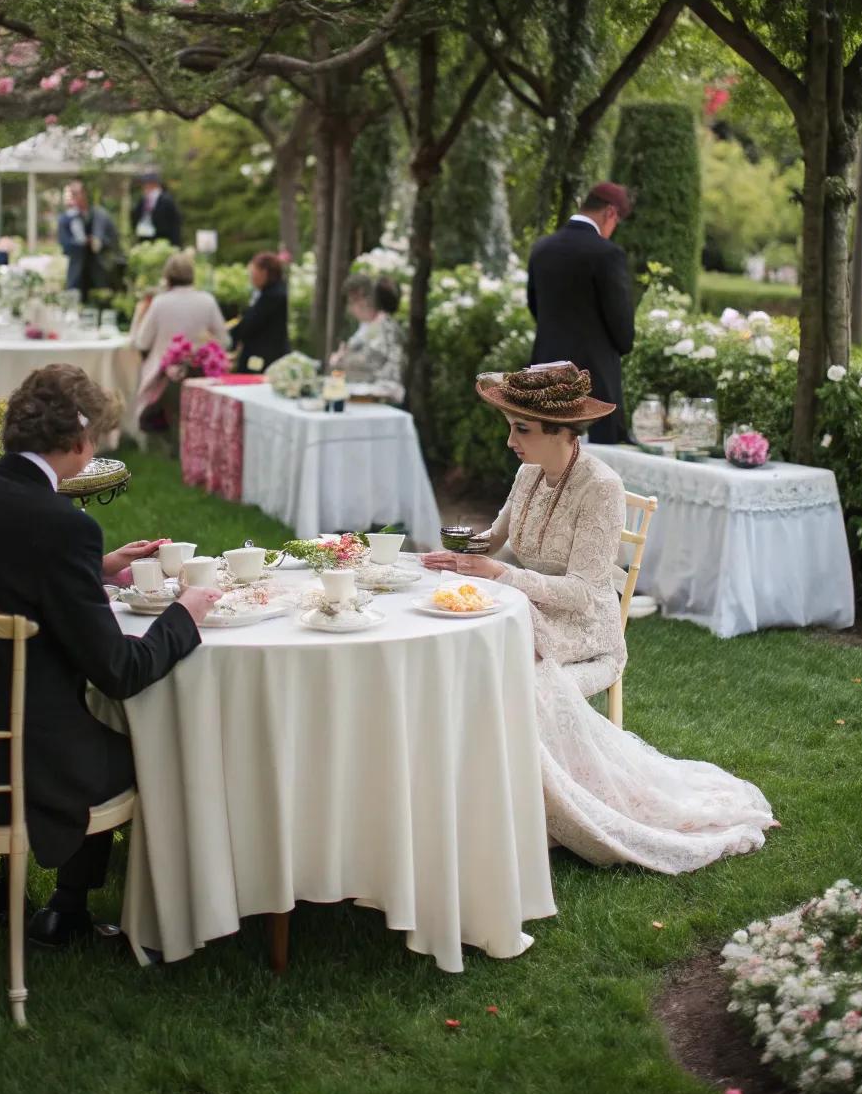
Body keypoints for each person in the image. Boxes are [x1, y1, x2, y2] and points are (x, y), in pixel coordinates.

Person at [0, 365, 221, 948]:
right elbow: (120, 672)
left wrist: (94, 571)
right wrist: (187, 615)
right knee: (144, 749)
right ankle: (66, 912)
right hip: (17, 766)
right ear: (78, 443)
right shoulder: (63, 527)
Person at [422, 362, 774, 873]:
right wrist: (457, 551)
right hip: (535, 609)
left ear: (563, 433)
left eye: (522, 429)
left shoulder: (601, 487)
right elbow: (494, 540)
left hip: (587, 630)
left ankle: (544, 808)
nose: (510, 442)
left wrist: (499, 575)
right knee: (473, 650)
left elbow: (586, 594)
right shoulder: (528, 474)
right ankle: (481, 796)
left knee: (508, 669)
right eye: (510, 426)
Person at [526, 182, 635, 445]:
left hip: (544, 380)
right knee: (593, 473)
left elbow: (535, 306)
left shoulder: (542, 249)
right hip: (593, 388)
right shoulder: (607, 254)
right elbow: (622, 330)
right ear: (610, 213)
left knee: (544, 466)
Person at [131, 252, 230, 429]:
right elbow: (224, 341)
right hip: (200, 371)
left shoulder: (160, 302)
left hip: (162, 376)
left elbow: (141, 343)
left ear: (167, 276)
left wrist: (140, 313)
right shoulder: (207, 300)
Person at [329, 274, 406, 403]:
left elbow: (371, 361)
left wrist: (341, 359)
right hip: (365, 394)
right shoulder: (368, 325)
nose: (350, 309)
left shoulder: (383, 325)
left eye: (351, 302)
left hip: (382, 397)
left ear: (363, 300)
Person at [57, 180, 120, 300]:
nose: (73, 197)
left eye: (76, 193)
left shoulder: (98, 214)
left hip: (100, 273)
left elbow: (108, 241)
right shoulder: (67, 219)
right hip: (77, 275)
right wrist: (81, 243)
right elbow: (64, 245)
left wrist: (95, 242)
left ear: (84, 194)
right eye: (71, 194)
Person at [230, 251, 289, 373]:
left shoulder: (273, 296)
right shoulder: (269, 293)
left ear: (264, 272)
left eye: (253, 273)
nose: (251, 278)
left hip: (263, 358)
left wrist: (230, 335)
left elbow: (251, 323)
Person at [131, 171, 182, 247]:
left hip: (163, 242)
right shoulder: (143, 200)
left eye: (146, 184)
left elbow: (175, 224)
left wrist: (175, 245)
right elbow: (136, 217)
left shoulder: (167, 200)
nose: (144, 187)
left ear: (154, 184)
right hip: (145, 241)